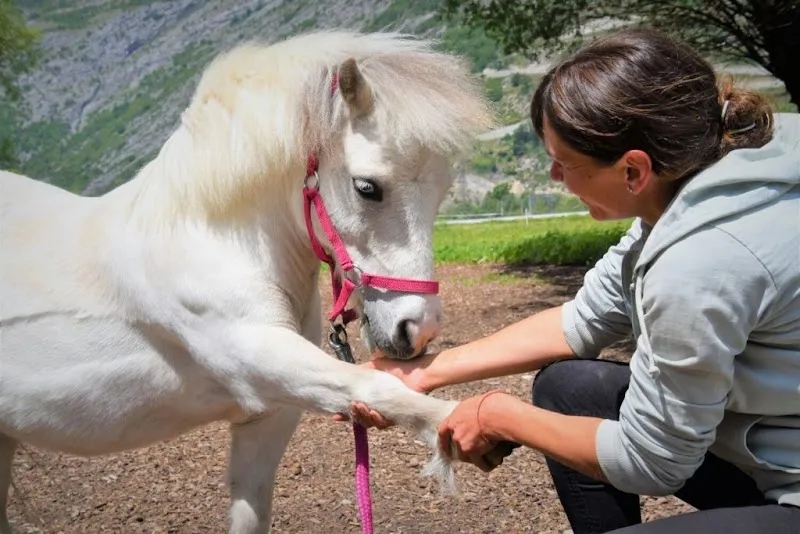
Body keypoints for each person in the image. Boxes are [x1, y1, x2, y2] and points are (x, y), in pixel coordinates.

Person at [333, 27, 800, 533]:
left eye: (563, 164)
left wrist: (498, 415)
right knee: (570, 387)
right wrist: (418, 376)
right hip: (769, 452)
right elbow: (582, 319)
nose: (555, 178)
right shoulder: (706, 188)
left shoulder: (701, 262)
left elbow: (655, 462)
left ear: (633, 170)